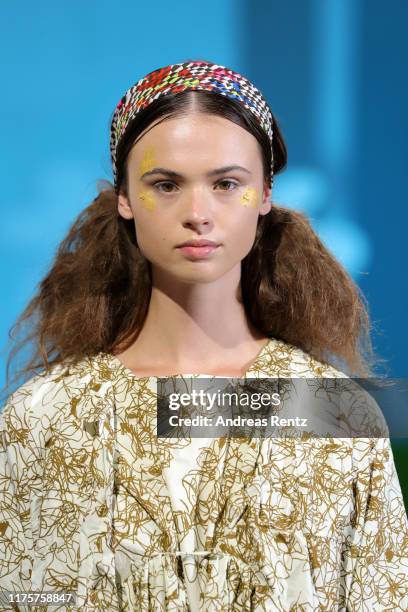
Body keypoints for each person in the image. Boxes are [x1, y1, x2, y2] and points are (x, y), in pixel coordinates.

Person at [0, 60, 407, 611]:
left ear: (265, 193)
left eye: (226, 184)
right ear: (123, 198)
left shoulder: (334, 411)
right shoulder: (46, 414)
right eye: (165, 184)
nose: (198, 214)